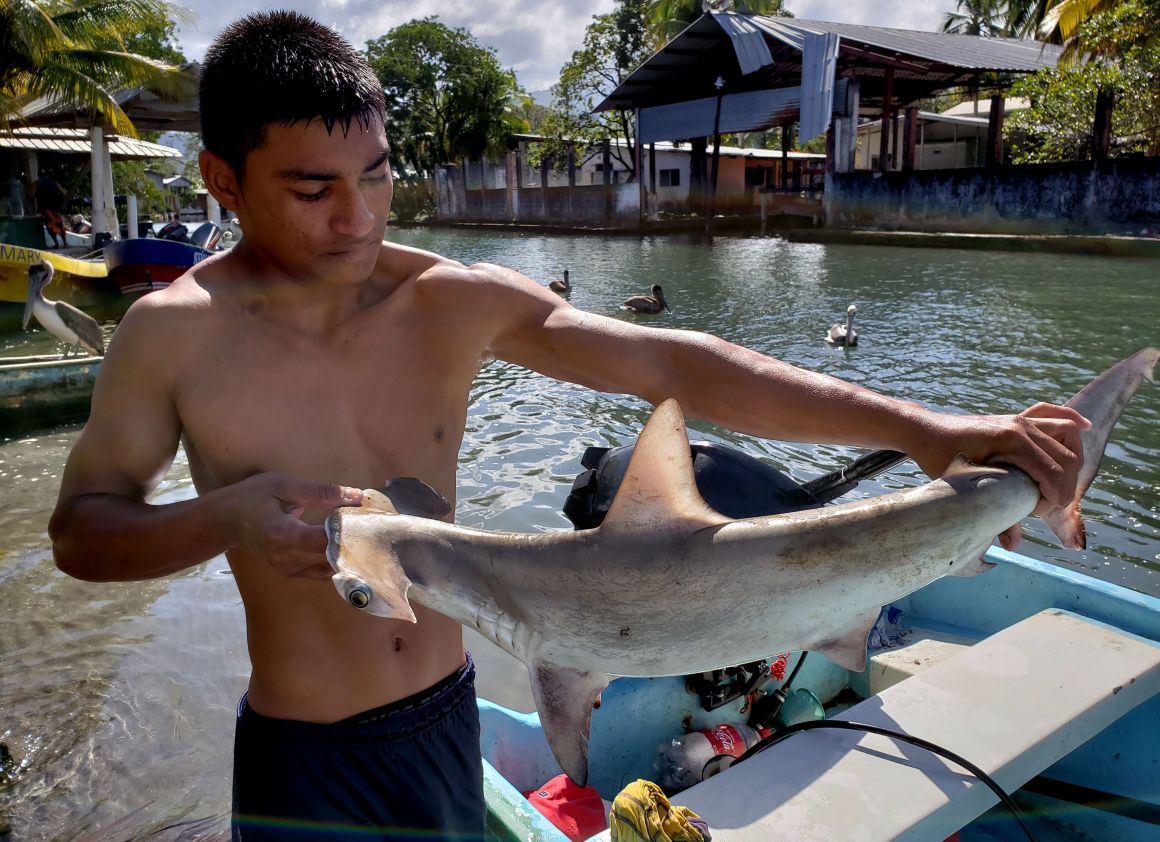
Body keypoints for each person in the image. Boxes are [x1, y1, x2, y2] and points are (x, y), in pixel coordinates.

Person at [47, 11, 1089, 842]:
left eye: (375, 175)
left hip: (442, 719)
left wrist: (919, 426)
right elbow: (83, 532)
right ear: (221, 180)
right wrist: (228, 514)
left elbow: (676, 362)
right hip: (301, 748)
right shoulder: (170, 336)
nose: (358, 218)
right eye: (313, 190)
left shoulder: (447, 301)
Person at [35, 170, 68, 248]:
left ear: (39, 176)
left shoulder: (37, 184)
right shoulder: (54, 183)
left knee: (50, 227)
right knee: (59, 226)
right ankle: (65, 243)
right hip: (55, 209)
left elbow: (31, 195)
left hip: (46, 210)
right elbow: (64, 193)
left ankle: (56, 244)